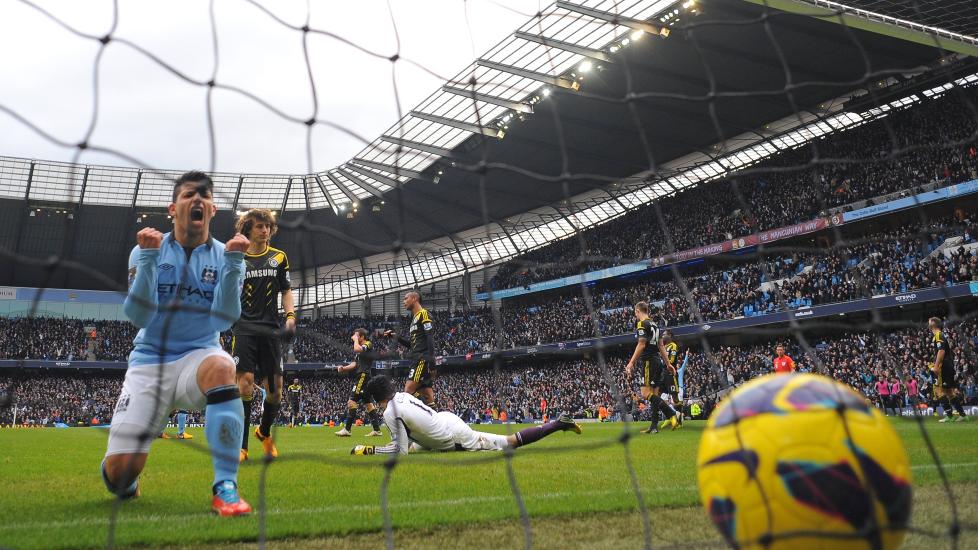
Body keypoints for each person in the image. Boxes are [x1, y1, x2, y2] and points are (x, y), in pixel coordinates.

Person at [101, 171, 251, 516]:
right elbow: (139, 316)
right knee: (120, 474)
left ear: (213, 209)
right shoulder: (145, 250)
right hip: (149, 362)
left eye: (204, 196)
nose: (196, 200)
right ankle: (127, 479)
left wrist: (233, 265)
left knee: (223, 365)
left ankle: (225, 487)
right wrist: (150, 258)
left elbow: (223, 321)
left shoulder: (228, 256)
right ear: (173, 208)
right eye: (188, 195)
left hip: (198, 356)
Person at [350, 376, 581, 455]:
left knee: (509, 443)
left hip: (454, 436)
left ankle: (559, 422)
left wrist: (369, 450)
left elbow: (398, 451)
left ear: (376, 398)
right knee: (415, 446)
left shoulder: (390, 412)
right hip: (445, 419)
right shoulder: (402, 395)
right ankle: (559, 422)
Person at [231, 208, 294, 462]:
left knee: (276, 391)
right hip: (244, 327)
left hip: (270, 330)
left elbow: (287, 290)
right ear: (248, 229)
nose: (265, 230)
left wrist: (290, 316)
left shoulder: (279, 257)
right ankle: (241, 447)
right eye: (259, 226)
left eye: (267, 226)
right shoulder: (238, 258)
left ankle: (264, 432)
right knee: (244, 382)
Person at [624, 302, 679, 434]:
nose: (635, 315)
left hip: (649, 361)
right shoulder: (655, 325)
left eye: (635, 313)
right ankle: (654, 427)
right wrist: (668, 364)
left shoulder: (641, 324)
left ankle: (671, 413)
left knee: (645, 393)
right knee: (654, 394)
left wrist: (631, 363)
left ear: (638, 311)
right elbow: (661, 346)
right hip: (658, 361)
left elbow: (641, 345)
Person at [384, 291, 436, 407]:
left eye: (405, 298)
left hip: (422, 358)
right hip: (417, 358)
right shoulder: (413, 320)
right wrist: (395, 337)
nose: (404, 302)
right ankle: (434, 420)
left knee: (408, 391)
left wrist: (432, 362)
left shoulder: (424, 314)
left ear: (414, 299)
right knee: (428, 396)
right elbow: (412, 345)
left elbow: (430, 338)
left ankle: (426, 417)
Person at [335, 328, 383, 437]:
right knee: (368, 404)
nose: (354, 336)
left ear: (362, 337)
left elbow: (357, 349)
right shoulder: (360, 350)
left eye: (357, 335)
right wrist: (344, 368)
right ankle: (377, 430)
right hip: (364, 376)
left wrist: (355, 339)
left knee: (351, 401)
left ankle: (347, 429)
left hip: (363, 376)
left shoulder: (368, 344)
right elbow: (355, 364)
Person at [929, 317, 968, 422]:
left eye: (929, 322)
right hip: (946, 365)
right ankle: (962, 415)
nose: (928, 324)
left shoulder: (938, 335)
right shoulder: (938, 336)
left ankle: (950, 415)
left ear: (933, 324)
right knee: (948, 391)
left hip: (943, 366)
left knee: (938, 390)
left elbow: (941, 351)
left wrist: (936, 366)